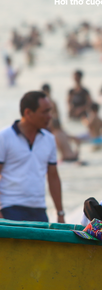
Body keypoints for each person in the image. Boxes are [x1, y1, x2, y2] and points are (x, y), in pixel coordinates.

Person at [0, 91, 65, 223]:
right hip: (10, 208)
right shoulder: (4, 137)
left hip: (39, 209)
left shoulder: (49, 139)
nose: (49, 116)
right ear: (28, 113)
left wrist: (60, 213)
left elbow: (53, 177)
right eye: (45, 112)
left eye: (50, 111)